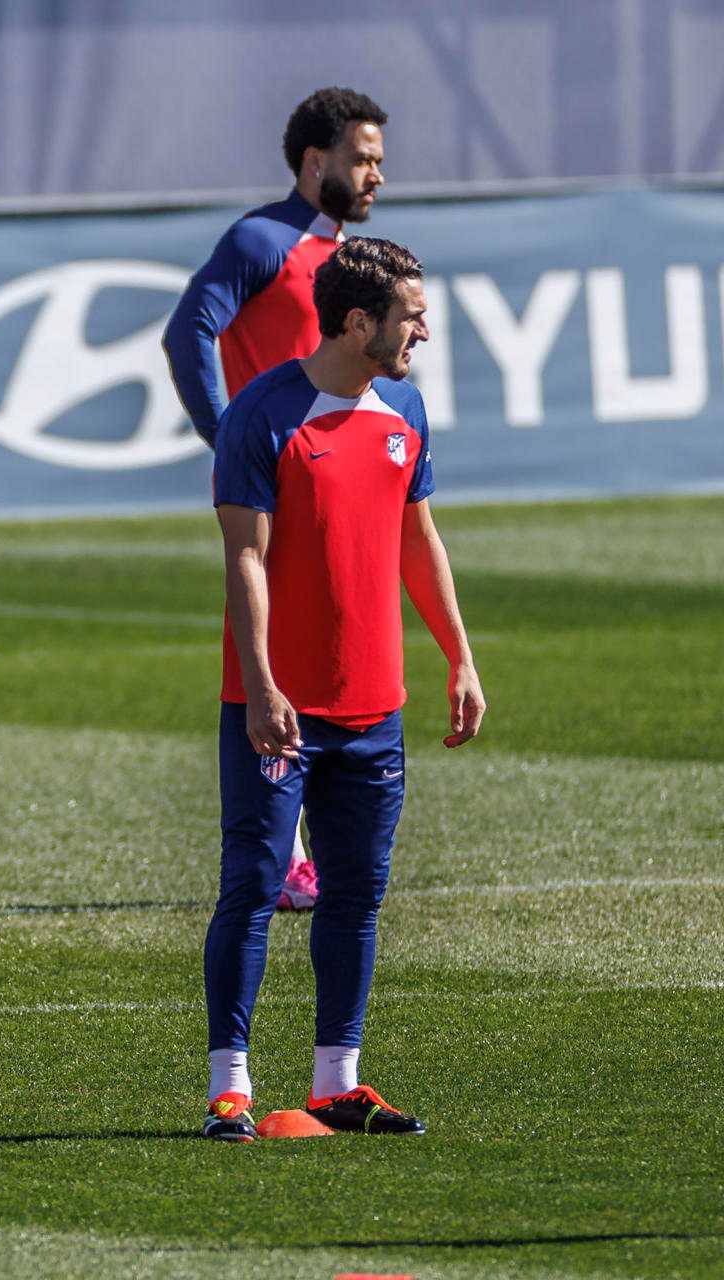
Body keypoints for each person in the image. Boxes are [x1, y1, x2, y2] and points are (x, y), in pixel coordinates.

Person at [200, 237, 485, 1141]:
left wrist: (459, 655)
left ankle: (338, 1081)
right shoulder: (263, 415)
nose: (424, 333)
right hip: (277, 707)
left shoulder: (405, 409)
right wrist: (262, 681)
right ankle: (230, 1087)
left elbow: (418, 539)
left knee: (357, 895)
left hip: (376, 705)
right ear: (359, 320)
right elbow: (244, 556)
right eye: (412, 316)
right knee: (251, 887)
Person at [163, 86, 390, 913]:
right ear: (314, 160)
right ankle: (285, 850)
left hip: (338, 474)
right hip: (275, 480)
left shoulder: (345, 252)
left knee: (331, 641)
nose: (374, 176)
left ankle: (306, 840)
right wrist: (227, 434)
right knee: (267, 650)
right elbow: (189, 327)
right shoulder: (263, 239)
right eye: (362, 158)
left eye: (377, 162)